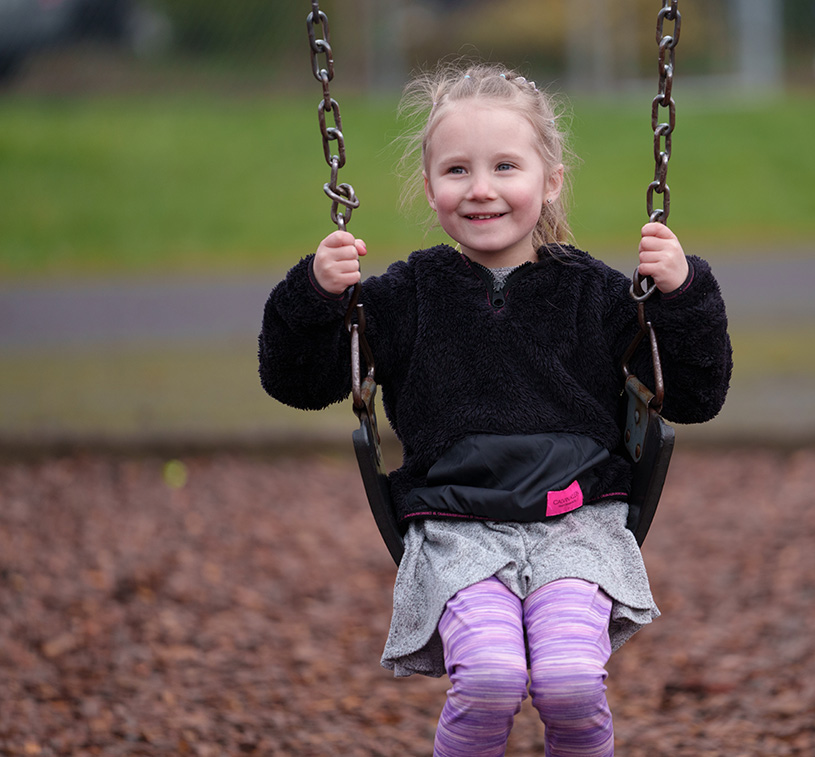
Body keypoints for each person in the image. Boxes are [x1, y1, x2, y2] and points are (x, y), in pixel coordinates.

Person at [259, 62, 732, 757]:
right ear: (430, 186)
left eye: (505, 166)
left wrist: (685, 292)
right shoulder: (407, 296)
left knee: (571, 682)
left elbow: (696, 395)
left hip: (578, 525)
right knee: (488, 679)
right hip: (456, 529)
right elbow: (294, 380)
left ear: (550, 180)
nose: (481, 189)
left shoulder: (599, 296)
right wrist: (315, 295)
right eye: (457, 170)